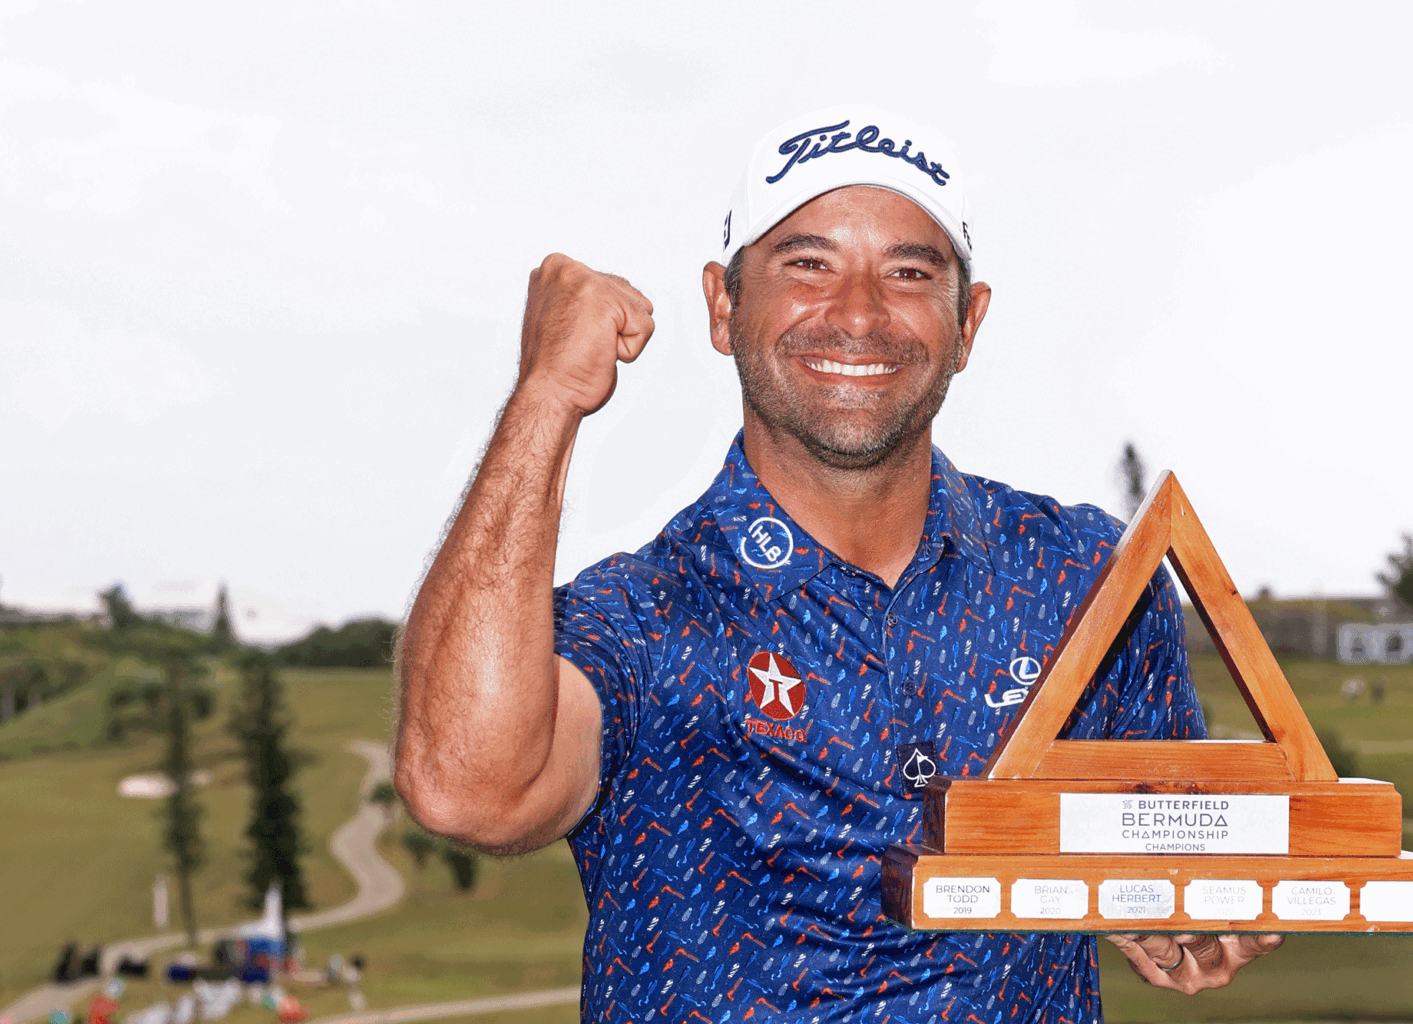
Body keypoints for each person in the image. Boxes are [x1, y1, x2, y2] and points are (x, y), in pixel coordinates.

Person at [395, 105, 1281, 1021]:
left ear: (968, 322)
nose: (858, 314)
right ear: (723, 305)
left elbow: (1173, 834)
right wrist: (548, 396)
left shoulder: (1089, 576)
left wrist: (1188, 895)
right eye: (808, 265)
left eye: (908, 272)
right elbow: (468, 790)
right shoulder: (642, 614)